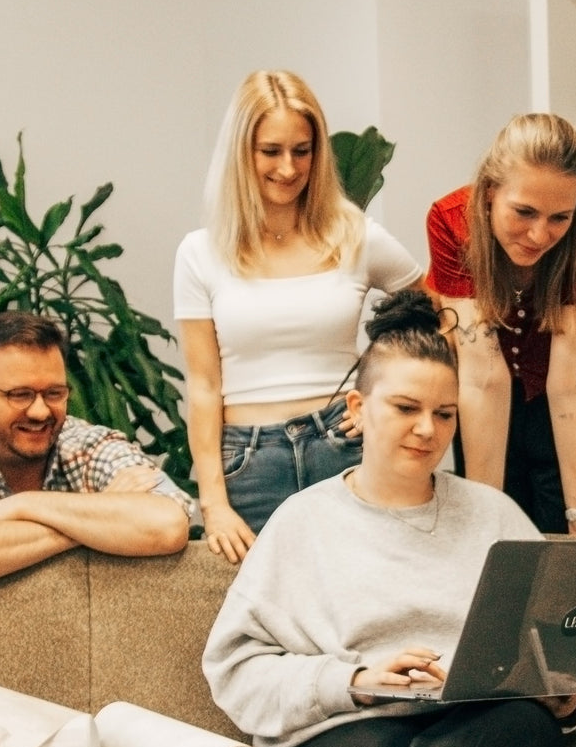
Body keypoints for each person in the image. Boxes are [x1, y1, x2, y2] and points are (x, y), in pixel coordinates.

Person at [203, 289, 576, 747]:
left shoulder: (495, 516)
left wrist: (564, 694)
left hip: (497, 735)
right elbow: (236, 672)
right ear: (357, 409)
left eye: (445, 414)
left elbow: (566, 651)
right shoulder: (303, 522)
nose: (428, 430)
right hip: (347, 739)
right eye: (406, 408)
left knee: (510, 726)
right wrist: (355, 680)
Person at [174, 69, 422, 564]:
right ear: (241, 153)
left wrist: (384, 394)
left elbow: (434, 316)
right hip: (250, 465)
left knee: (369, 595)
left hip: (346, 447)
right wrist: (213, 504)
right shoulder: (200, 253)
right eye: (271, 151)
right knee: (267, 607)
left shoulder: (355, 235)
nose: (288, 168)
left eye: (301, 150)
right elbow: (203, 386)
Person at [426, 112, 576, 536]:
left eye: (559, 218)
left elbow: (573, 377)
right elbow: (482, 376)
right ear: (490, 192)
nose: (539, 235)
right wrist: (483, 521)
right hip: (484, 388)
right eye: (524, 212)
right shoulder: (451, 220)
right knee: (496, 539)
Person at [0, 311, 192, 586]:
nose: (40, 411)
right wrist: (94, 520)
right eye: (20, 394)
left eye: (54, 393)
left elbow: (167, 525)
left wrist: (23, 505)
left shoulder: (90, 445)